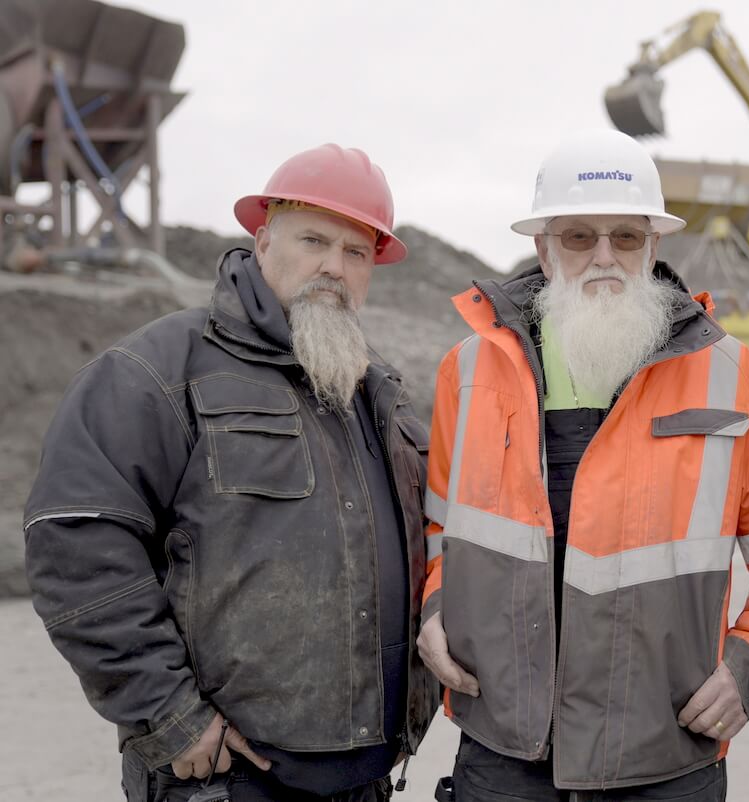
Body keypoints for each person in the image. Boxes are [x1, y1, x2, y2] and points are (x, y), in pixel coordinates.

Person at [23, 144, 438, 802]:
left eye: (356, 252)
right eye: (313, 239)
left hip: (365, 780)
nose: (333, 265)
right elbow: (75, 539)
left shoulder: (380, 398)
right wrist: (172, 717)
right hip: (224, 781)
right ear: (263, 237)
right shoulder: (160, 369)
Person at [415, 129, 749, 801]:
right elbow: (443, 527)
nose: (605, 256)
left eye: (626, 237)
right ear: (543, 246)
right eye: (578, 237)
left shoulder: (738, 380)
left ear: (655, 245)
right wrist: (436, 608)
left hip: (665, 751)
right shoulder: (469, 372)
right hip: (504, 744)